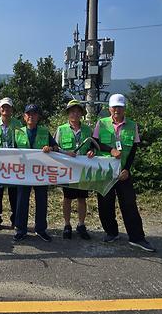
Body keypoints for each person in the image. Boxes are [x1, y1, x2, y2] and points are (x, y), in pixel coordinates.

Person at [88, 93, 156, 252]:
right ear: (109, 108)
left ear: (124, 108)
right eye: (114, 107)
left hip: (123, 173)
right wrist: (110, 149)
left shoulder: (132, 126)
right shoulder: (101, 123)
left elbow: (133, 149)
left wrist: (127, 169)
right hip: (104, 172)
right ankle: (111, 232)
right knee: (105, 203)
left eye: (120, 107)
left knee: (129, 204)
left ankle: (137, 238)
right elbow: (95, 143)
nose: (117, 110)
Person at [13, 104, 75, 243]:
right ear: (24, 117)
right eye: (28, 113)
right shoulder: (17, 132)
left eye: (34, 114)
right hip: (23, 172)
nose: (31, 116)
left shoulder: (44, 131)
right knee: (22, 201)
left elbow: (56, 147)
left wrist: (50, 148)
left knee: (41, 200)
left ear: (38, 117)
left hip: (41, 172)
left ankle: (40, 229)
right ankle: (20, 230)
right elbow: (11, 152)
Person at [54, 100, 100, 240]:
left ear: (81, 113)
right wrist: (65, 152)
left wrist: (92, 152)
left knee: (82, 198)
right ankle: (67, 225)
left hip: (82, 170)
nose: (75, 113)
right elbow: (55, 148)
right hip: (66, 170)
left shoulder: (87, 130)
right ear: (68, 113)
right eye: (72, 111)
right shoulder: (61, 129)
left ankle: (81, 225)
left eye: (77, 111)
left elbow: (93, 146)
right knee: (67, 198)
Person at [0, 97, 22, 231]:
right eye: (3, 107)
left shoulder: (18, 124)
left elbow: (22, 142)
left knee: (14, 194)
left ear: (12, 109)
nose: (5, 109)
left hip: (14, 165)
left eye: (8, 107)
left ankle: (15, 220)